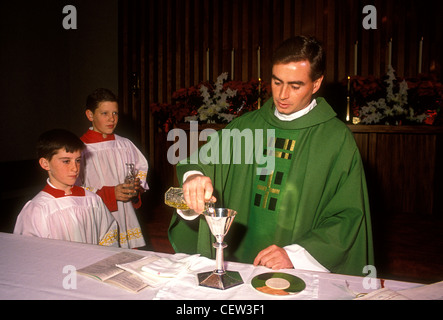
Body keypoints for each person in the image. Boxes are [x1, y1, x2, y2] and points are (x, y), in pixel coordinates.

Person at [168, 36, 374, 276]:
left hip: (297, 271)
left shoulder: (336, 140)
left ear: (316, 84)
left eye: (295, 86)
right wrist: (194, 177)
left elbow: (348, 216)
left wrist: (296, 254)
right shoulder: (245, 127)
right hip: (236, 264)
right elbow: (199, 162)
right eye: (277, 82)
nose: (283, 95)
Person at [14, 129, 118, 246]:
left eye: (78, 160)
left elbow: (108, 235)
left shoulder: (92, 200)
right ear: (45, 164)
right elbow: (27, 250)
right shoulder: (38, 209)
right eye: (66, 161)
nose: (75, 168)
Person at [77, 88, 149, 248]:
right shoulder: (79, 149)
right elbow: (75, 188)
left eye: (115, 113)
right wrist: (110, 193)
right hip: (98, 216)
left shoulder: (125, 145)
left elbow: (140, 170)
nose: (112, 119)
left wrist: (136, 188)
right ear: (90, 115)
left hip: (125, 214)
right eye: (105, 113)